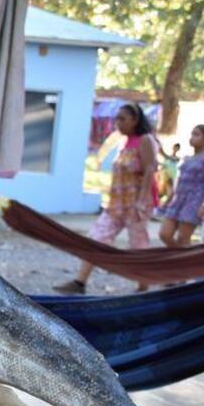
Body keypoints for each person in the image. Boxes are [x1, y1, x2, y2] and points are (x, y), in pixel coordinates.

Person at [54, 103, 158, 294]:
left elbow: (150, 169)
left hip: (136, 204)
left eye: (122, 119)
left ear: (135, 120)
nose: (118, 122)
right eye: (117, 118)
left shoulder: (145, 140)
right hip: (116, 204)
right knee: (97, 238)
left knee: (138, 246)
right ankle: (79, 283)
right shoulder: (123, 142)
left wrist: (142, 201)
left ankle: (143, 287)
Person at [158, 125, 204, 249]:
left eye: (196, 135)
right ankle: (178, 255)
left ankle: (182, 259)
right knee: (165, 234)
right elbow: (179, 181)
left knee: (183, 238)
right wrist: (169, 199)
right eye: (192, 134)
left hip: (195, 201)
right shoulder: (187, 158)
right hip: (179, 199)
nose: (192, 137)